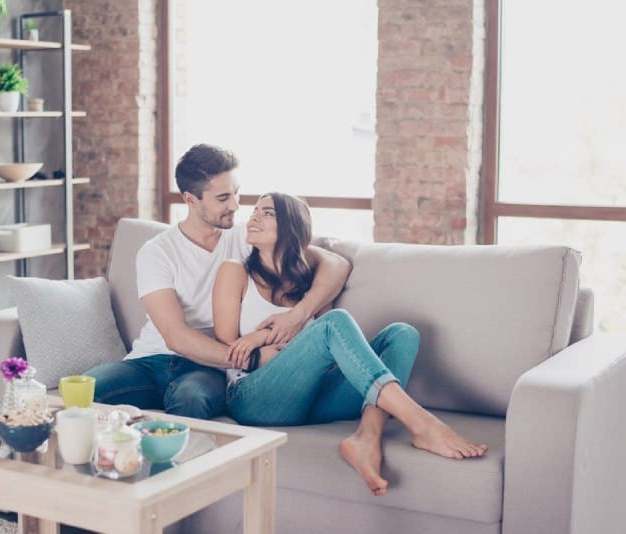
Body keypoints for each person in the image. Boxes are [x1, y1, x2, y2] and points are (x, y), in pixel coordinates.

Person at [212, 192, 488, 496]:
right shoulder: (234, 271)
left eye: (267, 213)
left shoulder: (312, 282)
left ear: (293, 227)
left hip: (313, 398)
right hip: (254, 397)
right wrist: (264, 341)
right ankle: (422, 424)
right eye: (254, 211)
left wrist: (281, 336)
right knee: (336, 322)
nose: (253, 217)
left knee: (403, 334)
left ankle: (367, 437)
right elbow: (228, 347)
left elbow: (325, 352)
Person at [85, 144, 351, 419]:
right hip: (149, 360)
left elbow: (336, 264)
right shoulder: (157, 251)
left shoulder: (249, 239)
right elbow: (176, 337)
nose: (235, 205)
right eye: (223, 198)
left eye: (236, 193)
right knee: (83, 390)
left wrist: (299, 314)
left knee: (191, 399)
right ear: (190, 199)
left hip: (206, 367)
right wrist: (253, 358)